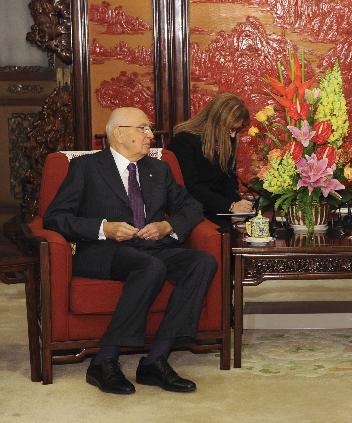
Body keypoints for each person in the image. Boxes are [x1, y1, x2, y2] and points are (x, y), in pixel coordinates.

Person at [44, 107, 217, 395]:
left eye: (149, 129)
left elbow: (191, 207)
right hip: (103, 250)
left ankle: (155, 360)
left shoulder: (159, 169)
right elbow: (55, 217)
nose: (151, 135)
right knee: (150, 267)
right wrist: (104, 228)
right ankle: (104, 360)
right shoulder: (86, 167)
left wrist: (166, 226)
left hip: (153, 246)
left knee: (202, 261)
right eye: (143, 128)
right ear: (118, 133)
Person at [168, 93, 253, 229]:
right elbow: (192, 187)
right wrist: (230, 206)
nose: (233, 135)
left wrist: (238, 203)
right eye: (231, 129)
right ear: (217, 120)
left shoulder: (227, 140)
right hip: (193, 212)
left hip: (219, 211)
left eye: (237, 130)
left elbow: (228, 180)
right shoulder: (184, 141)